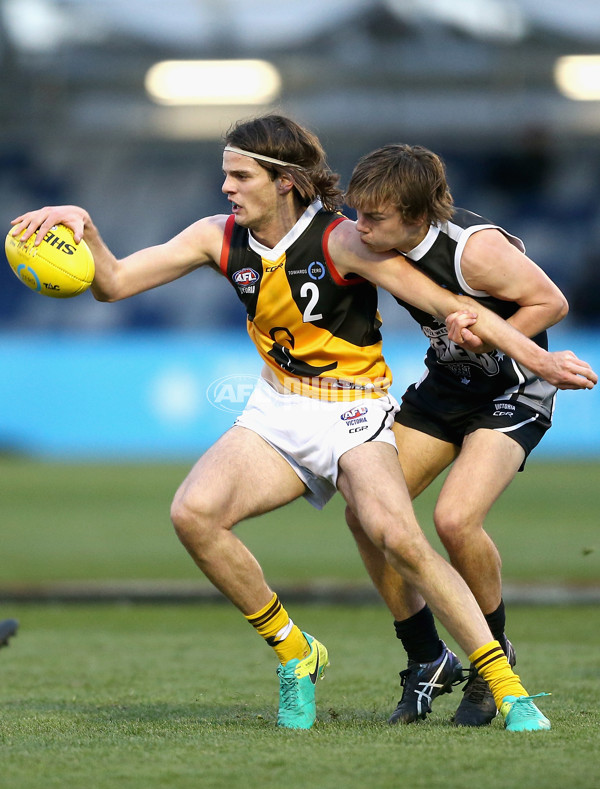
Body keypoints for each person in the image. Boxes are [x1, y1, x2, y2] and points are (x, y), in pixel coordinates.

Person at [11, 115, 596, 733]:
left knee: (401, 537)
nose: (226, 188)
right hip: (276, 408)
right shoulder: (216, 237)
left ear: (285, 181)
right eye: (225, 174)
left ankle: (506, 689)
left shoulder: (346, 241)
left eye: (240, 175)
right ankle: (296, 652)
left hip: (354, 410)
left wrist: (541, 359)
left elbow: (455, 306)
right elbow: (115, 283)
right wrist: (87, 228)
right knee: (194, 514)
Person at [343, 142, 589, 727]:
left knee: (455, 520)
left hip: (513, 390)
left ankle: (491, 662)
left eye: (374, 217)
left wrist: (487, 336)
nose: (361, 228)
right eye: (358, 213)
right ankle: (426, 658)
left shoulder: (474, 251)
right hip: (447, 388)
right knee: (365, 513)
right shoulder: (378, 241)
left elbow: (551, 301)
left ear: (417, 216)